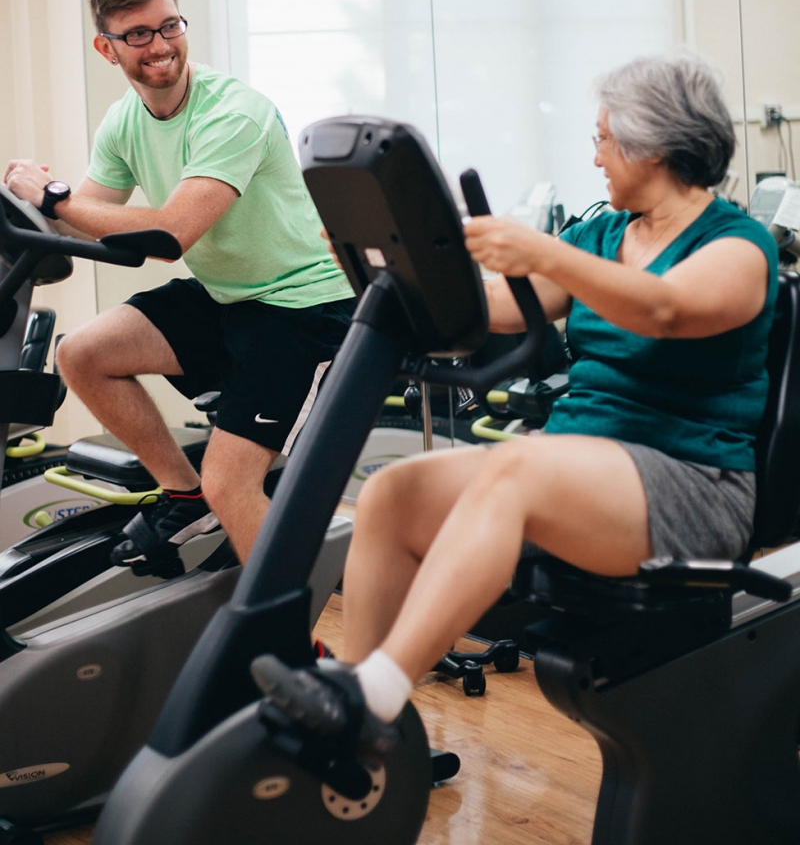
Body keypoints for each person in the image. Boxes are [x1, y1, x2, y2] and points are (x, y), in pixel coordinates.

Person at [250, 51, 780, 763]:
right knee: (395, 493)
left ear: (649, 143)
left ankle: (371, 691)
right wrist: (390, 261)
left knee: (517, 469)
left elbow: (664, 307)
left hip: (691, 487)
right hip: (579, 469)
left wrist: (539, 252)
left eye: (601, 139)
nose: (594, 158)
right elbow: (498, 307)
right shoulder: (601, 235)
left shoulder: (739, 246)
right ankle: (358, 718)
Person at [4, 0, 355, 567]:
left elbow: (169, 235)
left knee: (234, 483)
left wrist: (54, 195)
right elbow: (77, 217)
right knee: (82, 353)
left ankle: (291, 644)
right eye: (137, 34)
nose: (160, 45)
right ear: (106, 47)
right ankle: (184, 493)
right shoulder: (124, 121)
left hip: (304, 309)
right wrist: (26, 195)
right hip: (228, 297)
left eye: (169, 26)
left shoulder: (232, 112)